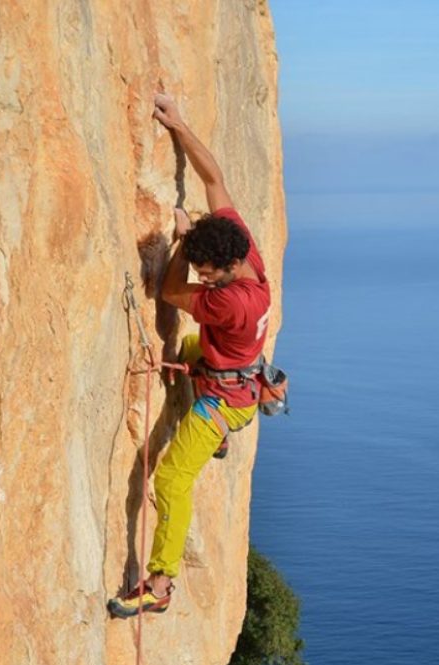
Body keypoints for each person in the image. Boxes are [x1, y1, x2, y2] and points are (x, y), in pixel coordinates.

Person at [110, 93, 272, 618]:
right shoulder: (241, 246)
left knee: (171, 479)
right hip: (229, 363)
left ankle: (160, 582)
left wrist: (181, 246)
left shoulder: (232, 303)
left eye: (207, 271)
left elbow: (171, 294)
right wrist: (179, 125)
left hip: (225, 398)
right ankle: (215, 421)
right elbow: (215, 179)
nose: (204, 276)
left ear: (222, 270)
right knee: (184, 347)